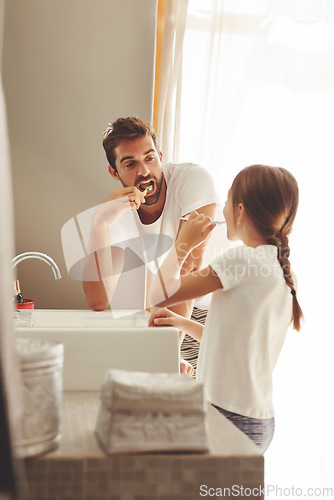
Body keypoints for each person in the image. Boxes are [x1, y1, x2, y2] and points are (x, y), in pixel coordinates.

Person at [148, 164, 303, 453]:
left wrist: (184, 243)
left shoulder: (241, 261)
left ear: (240, 210)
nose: (223, 210)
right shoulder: (282, 271)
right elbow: (234, 342)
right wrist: (182, 323)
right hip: (259, 420)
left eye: (228, 201)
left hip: (227, 417)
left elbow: (158, 294)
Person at [82, 116, 227, 374]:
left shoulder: (192, 180)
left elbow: (188, 270)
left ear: (160, 155)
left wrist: (169, 353)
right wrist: (99, 224)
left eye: (150, 158)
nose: (145, 171)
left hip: (206, 312)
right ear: (114, 172)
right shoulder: (115, 213)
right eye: (130, 164)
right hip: (159, 313)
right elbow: (98, 300)